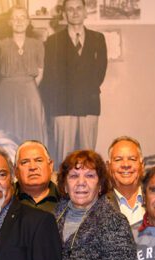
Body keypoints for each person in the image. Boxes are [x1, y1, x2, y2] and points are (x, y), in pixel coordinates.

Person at [41, 0, 107, 164]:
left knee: (88, 158)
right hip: (63, 106)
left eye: (79, 8)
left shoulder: (98, 38)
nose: (75, 12)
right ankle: (63, 190)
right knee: (64, 158)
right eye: (70, 9)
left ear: (85, 12)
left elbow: (100, 70)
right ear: (64, 14)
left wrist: (86, 89)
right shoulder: (53, 41)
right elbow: (50, 77)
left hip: (89, 104)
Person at [0, 6, 46, 146]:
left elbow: (40, 72)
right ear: (9, 22)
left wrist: (28, 88)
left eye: (22, 17)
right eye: (15, 18)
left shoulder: (37, 44)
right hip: (7, 93)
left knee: (31, 132)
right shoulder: (1, 44)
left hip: (30, 93)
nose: (19, 21)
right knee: (7, 131)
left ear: (28, 21)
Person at [108, 136, 146, 225]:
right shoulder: (98, 205)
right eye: (118, 159)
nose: (125, 164)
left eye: (132, 159)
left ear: (142, 165)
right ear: (108, 167)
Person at [14, 140, 58, 213]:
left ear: (50, 166)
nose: (32, 167)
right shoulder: (4, 200)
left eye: (39, 160)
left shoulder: (67, 201)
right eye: (25, 162)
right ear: (16, 171)